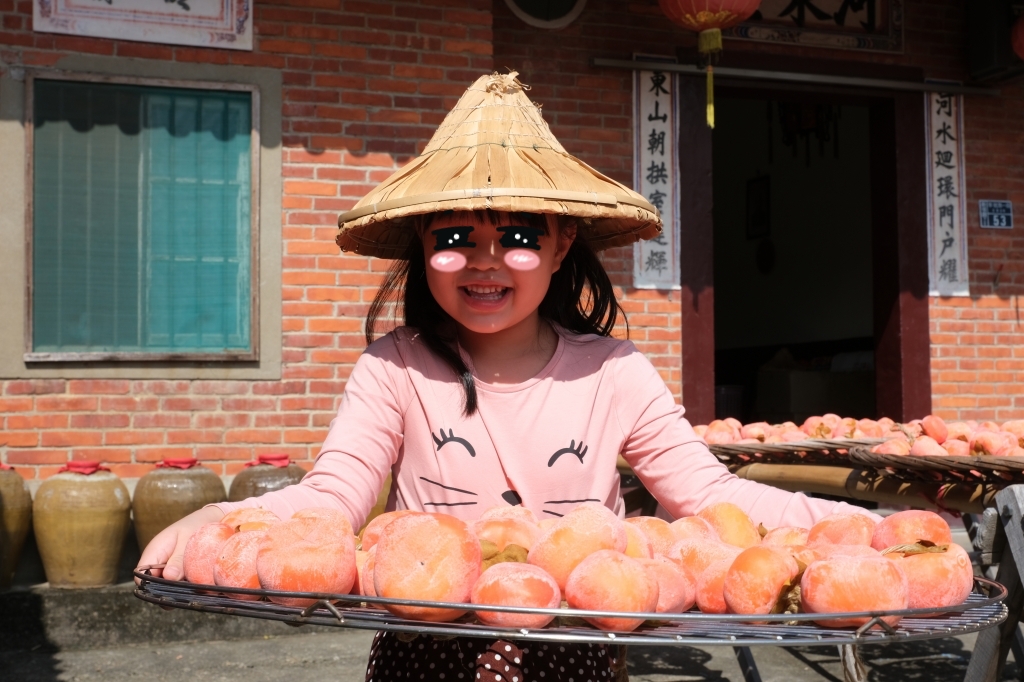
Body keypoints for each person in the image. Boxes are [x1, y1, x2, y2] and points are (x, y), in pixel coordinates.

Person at [139, 72, 878, 682]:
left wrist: (868, 533)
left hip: (580, 658)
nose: (485, 262)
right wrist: (234, 522)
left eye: (518, 238)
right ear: (423, 249)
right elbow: (337, 494)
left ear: (562, 244)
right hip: (425, 659)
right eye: (455, 239)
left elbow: (712, 498)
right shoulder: (393, 367)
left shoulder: (613, 372)